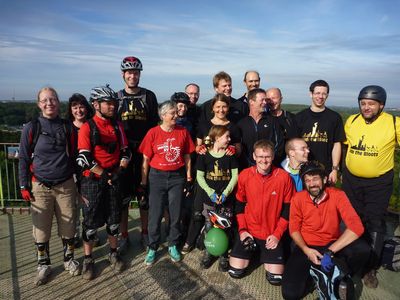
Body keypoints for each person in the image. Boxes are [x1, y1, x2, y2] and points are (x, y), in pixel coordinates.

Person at [282, 161, 370, 300]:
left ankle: (339, 274)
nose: (312, 184)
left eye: (315, 178)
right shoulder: (298, 199)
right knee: (290, 294)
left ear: (324, 179)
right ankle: (316, 276)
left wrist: (330, 251)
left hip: (331, 244)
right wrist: (306, 250)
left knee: (363, 249)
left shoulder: (337, 195)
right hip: (307, 246)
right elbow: (294, 229)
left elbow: (357, 227)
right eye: (307, 180)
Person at [19, 87, 80, 286]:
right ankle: (43, 264)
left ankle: (69, 259)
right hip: (40, 186)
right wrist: (23, 185)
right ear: (39, 104)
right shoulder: (32, 127)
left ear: (58, 102)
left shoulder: (67, 126)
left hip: (66, 184)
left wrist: (79, 181)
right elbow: (24, 158)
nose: (49, 103)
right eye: (45, 100)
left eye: (52, 99)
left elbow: (75, 154)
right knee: (41, 229)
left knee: (69, 225)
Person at [342, 85, 400, 288]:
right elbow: (345, 146)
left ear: (381, 105)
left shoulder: (393, 123)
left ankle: (369, 268)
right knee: (352, 219)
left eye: (371, 104)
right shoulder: (352, 121)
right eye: (363, 103)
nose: (366, 107)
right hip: (351, 180)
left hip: (379, 182)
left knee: (374, 222)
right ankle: (349, 257)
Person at [77, 85, 131, 280]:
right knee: (90, 224)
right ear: (96, 105)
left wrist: (121, 169)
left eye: (114, 103)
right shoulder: (87, 127)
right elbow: (83, 158)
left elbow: (126, 151)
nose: (112, 106)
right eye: (108, 103)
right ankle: (88, 259)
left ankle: (113, 253)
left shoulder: (117, 126)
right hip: (93, 181)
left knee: (114, 220)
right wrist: (104, 174)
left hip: (114, 178)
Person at [228, 140, 294, 285]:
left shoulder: (284, 178)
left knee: (275, 279)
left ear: (273, 156)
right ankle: (254, 252)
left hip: (271, 234)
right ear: (254, 156)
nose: (264, 160)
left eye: (267, 157)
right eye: (260, 156)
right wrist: (243, 230)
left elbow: (288, 209)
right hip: (249, 231)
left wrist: (277, 235)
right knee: (235, 272)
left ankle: (262, 254)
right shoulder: (245, 175)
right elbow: (239, 205)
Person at [139, 100, 195, 265]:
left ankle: (173, 244)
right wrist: (143, 183)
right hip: (157, 177)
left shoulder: (182, 132)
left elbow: (187, 156)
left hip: (177, 177)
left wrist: (189, 177)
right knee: (155, 214)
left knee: (175, 213)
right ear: (163, 115)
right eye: (172, 113)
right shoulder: (153, 133)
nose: (176, 116)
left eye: (175, 113)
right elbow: (146, 158)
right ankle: (153, 246)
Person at [117, 56, 159, 253]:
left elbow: (154, 126)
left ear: (139, 74)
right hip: (124, 153)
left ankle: (144, 233)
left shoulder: (149, 96)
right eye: (129, 72)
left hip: (145, 153)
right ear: (123, 75)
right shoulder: (116, 97)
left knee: (144, 197)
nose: (132, 76)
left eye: (135, 72)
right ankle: (124, 235)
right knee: (123, 199)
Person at [193, 125, 238, 272]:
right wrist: (210, 191)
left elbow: (234, 176)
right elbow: (200, 176)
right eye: (227, 137)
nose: (229, 140)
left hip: (226, 199)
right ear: (217, 138)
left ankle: (223, 255)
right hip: (209, 199)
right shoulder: (204, 156)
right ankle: (209, 252)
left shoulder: (230, 156)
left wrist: (225, 193)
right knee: (209, 226)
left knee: (224, 226)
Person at [295, 80, 345, 184]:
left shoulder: (334, 118)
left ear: (327, 95)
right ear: (311, 94)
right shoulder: (299, 117)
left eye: (324, 93)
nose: (320, 96)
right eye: (317, 93)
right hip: (303, 170)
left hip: (325, 170)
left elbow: (337, 144)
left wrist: (335, 169)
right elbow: (294, 145)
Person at [66, 93, 95, 247]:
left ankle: (91, 233)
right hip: (72, 171)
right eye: (75, 107)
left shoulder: (91, 125)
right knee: (74, 206)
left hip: (89, 171)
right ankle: (76, 234)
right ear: (70, 110)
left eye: (81, 106)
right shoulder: (67, 127)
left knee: (89, 204)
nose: (79, 110)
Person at [237, 88, 281, 169]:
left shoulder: (273, 121)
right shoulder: (241, 124)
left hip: (269, 168)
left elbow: (279, 144)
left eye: (265, 100)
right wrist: (250, 164)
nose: (265, 102)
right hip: (247, 169)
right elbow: (240, 149)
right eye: (262, 100)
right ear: (251, 102)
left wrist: (268, 162)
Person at [266, 87, 298, 164]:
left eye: (274, 98)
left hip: (289, 163)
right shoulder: (264, 119)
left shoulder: (291, 118)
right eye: (268, 99)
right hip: (269, 162)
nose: (271, 102)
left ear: (281, 99)